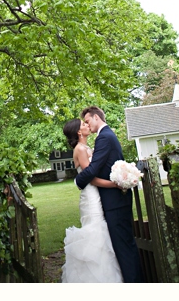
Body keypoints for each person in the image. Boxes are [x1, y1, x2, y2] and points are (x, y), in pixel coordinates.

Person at [75, 106, 145, 283]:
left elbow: (93, 168)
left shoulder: (104, 138)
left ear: (96, 117)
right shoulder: (106, 136)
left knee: (124, 247)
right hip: (114, 201)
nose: (88, 125)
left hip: (115, 202)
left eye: (88, 121)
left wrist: (78, 181)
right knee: (124, 245)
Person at [61, 117, 123, 283]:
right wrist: (115, 184)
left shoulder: (85, 147)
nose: (87, 125)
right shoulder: (80, 149)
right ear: (79, 132)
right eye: (83, 124)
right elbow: (91, 178)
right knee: (96, 231)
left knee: (101, 231)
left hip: (96, 193)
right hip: (90, 195)